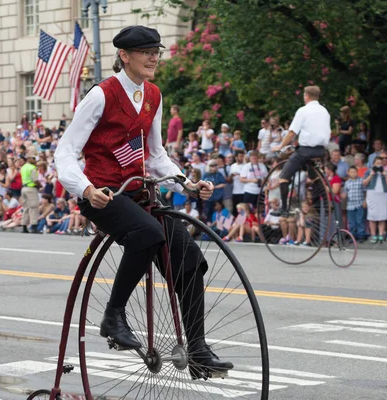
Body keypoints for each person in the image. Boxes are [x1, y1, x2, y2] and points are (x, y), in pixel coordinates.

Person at [55, 25, 231, 374]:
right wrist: (86, 189)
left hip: (138, 193)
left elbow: (155, 155)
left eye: (157, 51)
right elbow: (65, 152)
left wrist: (187, 185)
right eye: (147, 51)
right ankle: (113, 317)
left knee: (190, 259)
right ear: (125, 56)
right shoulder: (101, 95)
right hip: (104, 195)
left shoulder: (153, 95)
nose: (154, 57)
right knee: (149, 233)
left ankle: (196, 350)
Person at [272, 86, 332, 216]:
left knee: (283, 177)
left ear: (306, 96)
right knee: (315, 176)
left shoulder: (303, 111)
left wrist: (280, 146)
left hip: (305, 151)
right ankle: (327, 206)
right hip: (321, 151)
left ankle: (284, 210)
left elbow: (292, 132)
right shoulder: (325, 111)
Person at [20, 148, 40, 233]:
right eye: (34, 158)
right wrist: (40, 185)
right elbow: (35, 179)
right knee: (34, 207)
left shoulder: (23, 167)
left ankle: (24, 226)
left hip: (24, 188)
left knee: (26, 208)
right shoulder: (32, 167)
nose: (35, 160)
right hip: (31, 188)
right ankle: (34, 226)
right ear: (29, 159)